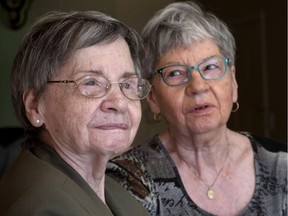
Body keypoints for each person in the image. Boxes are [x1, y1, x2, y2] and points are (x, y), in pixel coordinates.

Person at [107, 1, 287, 215]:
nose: (198, 86)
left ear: (234, 82)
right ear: (153, 97)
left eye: (210, 67)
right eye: (175, 73)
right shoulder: (129, 179)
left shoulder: (281, 166)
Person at [0, 10, 151, 216]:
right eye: (91, 82)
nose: (120, 103)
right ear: (35, 106)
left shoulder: (110, 189)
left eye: (127, 84)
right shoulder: (43, 207)